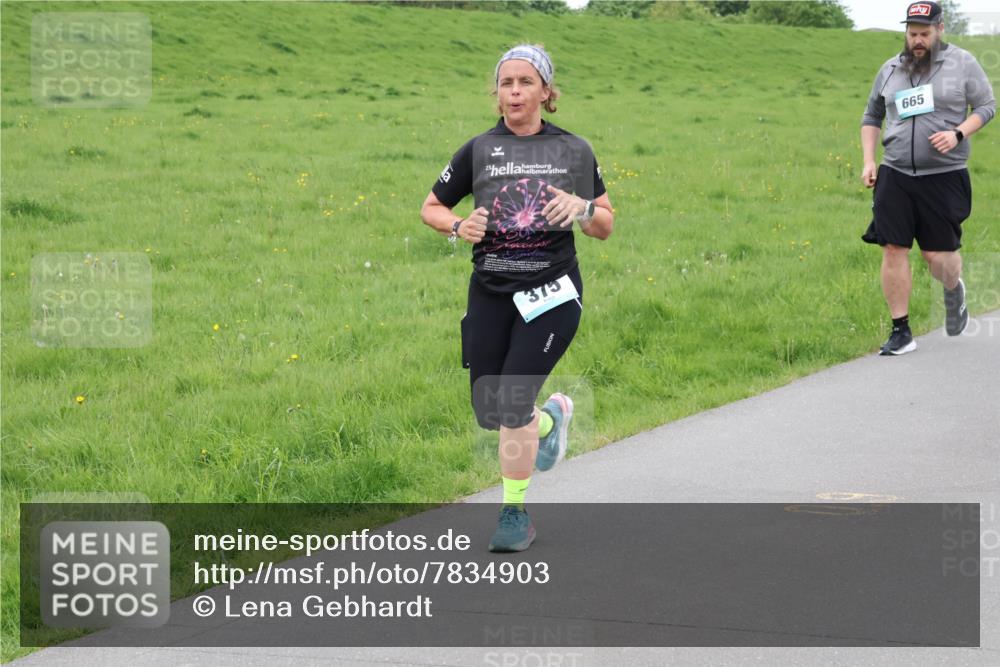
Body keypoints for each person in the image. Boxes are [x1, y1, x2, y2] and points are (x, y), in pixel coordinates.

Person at [420, 44, 613, 551]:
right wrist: (458, 225)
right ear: (497, 92)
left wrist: (582, 208)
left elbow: (605, 224)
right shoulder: (478, 150)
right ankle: (550, 421)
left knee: (511, 401)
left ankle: (514, 514)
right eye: (506, 82)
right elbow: (432, 206)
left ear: (546, 91)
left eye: (526, 82)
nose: (514, 91)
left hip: (552, 292)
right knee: (492, 409)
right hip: (491, 291)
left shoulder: (573, 150)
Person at [860, 1, 995, 355]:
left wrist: (958, 134)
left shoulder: (963, 63)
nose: (917, 40)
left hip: (944, 175)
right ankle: (901, 331)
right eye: (912, 33)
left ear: (940, 29)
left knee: (937, 257)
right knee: (893, 248)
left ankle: (953, 287)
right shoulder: (890, 68)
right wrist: (869, 161)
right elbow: (872, 115)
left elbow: (986, 106)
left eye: (924, 33)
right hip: (895, 172)